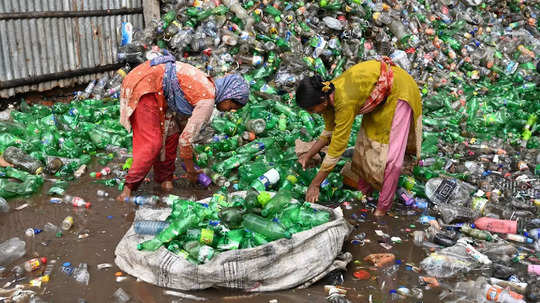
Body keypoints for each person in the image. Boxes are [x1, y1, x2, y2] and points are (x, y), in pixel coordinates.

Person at [295, 58, 422, 217]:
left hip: (399, 90)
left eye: (311, 109)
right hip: (378, 95)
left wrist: (315, 184)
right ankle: (364, 194)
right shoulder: (326, 95)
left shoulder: (344, 101)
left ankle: (382, 208)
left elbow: (337, 148)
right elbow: (328, 134)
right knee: (366, 146)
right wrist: (308, 155)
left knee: (391, 157)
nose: (311, 113)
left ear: (322, 101)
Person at [116, 53, 249, 201]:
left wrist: (191, 155)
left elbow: (182, 130)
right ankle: (128, 189)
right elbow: (185, 141)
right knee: (152, 143)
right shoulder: (207, 101)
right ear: (228, 95)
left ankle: (165, 181)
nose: (230, 110)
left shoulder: (208, 86)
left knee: (172, 134)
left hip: (160, 89)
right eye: (232, 105)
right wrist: (191, 170)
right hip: (146, 84)